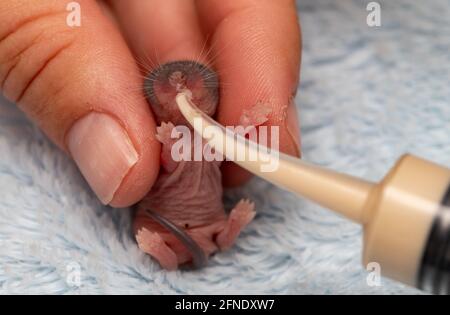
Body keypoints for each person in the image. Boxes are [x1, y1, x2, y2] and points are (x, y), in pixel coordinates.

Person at [0, 0, 301, 207]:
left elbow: (232, 142)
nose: (182, 85)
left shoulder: (211, 139)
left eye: (202, 88)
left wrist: (251, 122)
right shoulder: (166, 144)